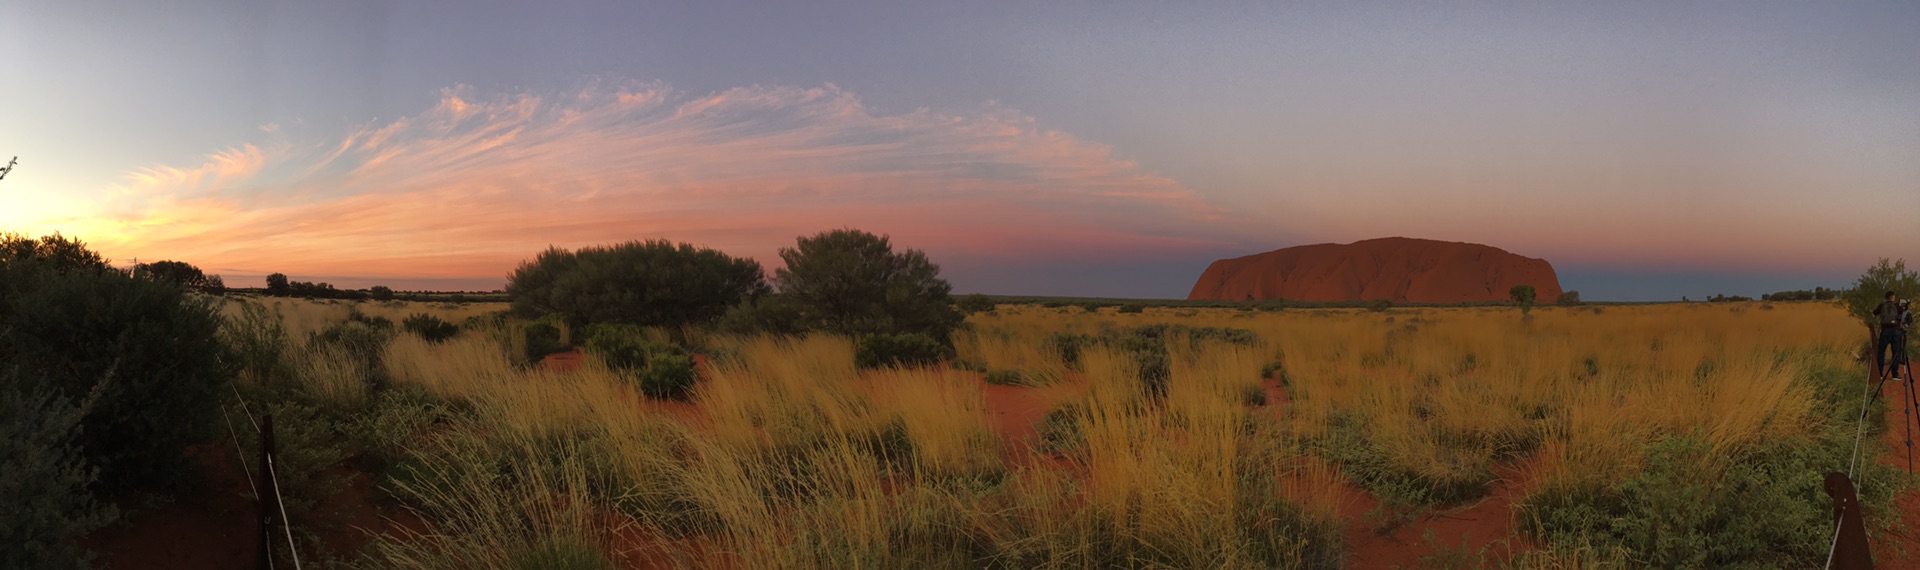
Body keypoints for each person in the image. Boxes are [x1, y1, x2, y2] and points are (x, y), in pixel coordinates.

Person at [1877, 291, 1904, 380]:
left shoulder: (1882, 305)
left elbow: (1874, 313)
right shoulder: (1897, 306)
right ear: (1893, 297)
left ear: (1886, 297)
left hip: (1885, 331)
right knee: (1895, 353)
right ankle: (1895, 375)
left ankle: (1880, 373)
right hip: (1896, 332)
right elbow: (1903, 315)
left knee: (1881, 352)